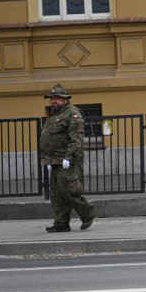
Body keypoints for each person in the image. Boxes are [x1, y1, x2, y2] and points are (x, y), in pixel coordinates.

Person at [40, 84, 95, 233]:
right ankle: (61, 223)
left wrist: (68, 157)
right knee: (56, 194)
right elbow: (50, 139)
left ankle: (87, 213)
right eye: (52, 99)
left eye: (57, 98)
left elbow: (76, 138)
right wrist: (49, 160)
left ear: (65, 100)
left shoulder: (73, 114)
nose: (54, 101)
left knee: (70, 191)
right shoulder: (55, 115)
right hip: (55, 161)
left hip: (68, 161)